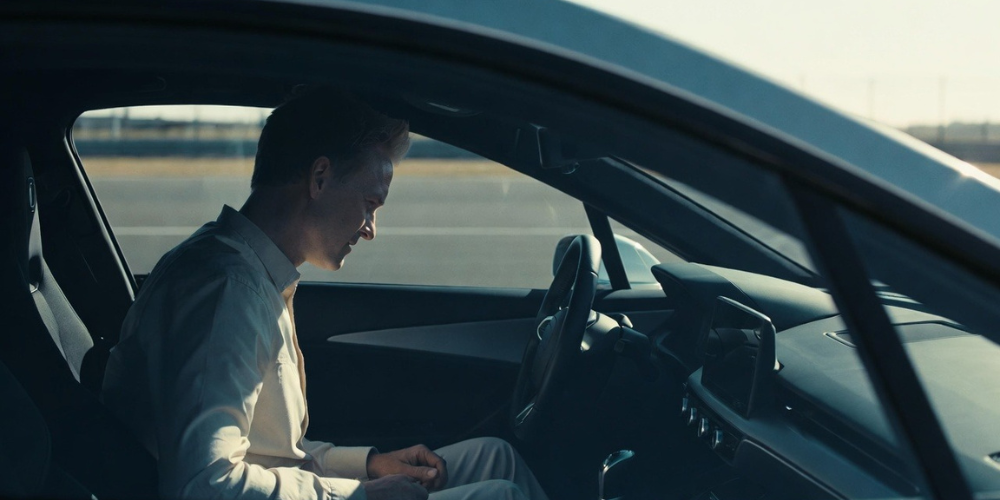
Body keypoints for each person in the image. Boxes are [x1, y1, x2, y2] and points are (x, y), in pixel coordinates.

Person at [102, 89, 550, 500]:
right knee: (501, 496)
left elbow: (270, 453)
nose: (371, 230)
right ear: (319, 178)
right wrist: (359, 496)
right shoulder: (226, 292)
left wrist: (368, 466)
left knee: (496, 458)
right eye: (370, 204)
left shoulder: (251, 273)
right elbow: (202, 485)